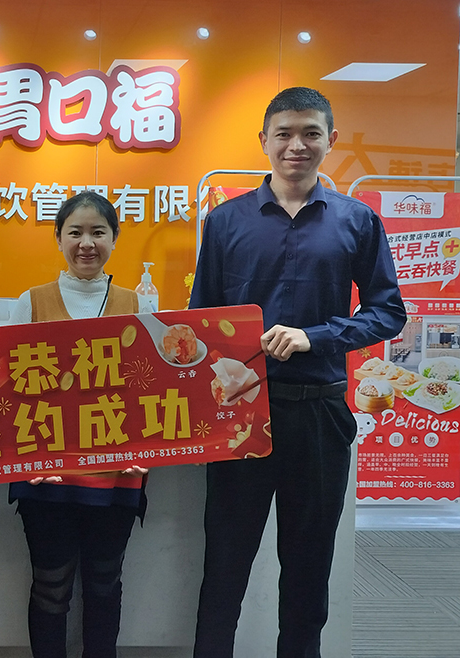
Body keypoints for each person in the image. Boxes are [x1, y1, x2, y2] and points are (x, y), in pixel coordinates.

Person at [189, 87, 406, 658]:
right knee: (225, 564)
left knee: (308, 569)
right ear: (263, 140)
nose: (296, 145)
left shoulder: (357, 221)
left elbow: (388, 311)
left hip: (319, 413)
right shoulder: (225, 221)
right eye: (283, 133)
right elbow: (200, 320)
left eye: (310, 133)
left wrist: (317, 336)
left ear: (330, 140)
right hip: (241, 416)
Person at [8, 191, 153, 658]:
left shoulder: (138, 305)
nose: (86, 243)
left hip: (117, 474)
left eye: (97, 232)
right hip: (45, 476)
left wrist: (148, 452)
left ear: (114, 238)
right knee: (50, 587)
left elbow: (152, 391)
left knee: (105, 583)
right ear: (58, 238)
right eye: (75, 232)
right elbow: (6, 390)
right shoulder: (30, 302)